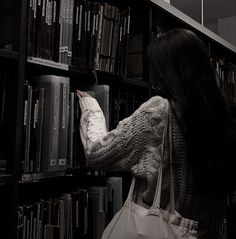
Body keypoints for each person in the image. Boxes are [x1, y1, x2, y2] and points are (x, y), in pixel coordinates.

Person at [77, 28, 236, 239]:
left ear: (166, 72)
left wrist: (90, 107)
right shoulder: (223, 115)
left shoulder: (159, 113)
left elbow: (97, 153)